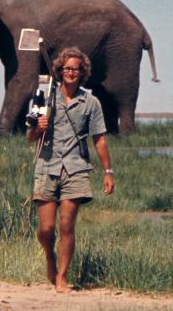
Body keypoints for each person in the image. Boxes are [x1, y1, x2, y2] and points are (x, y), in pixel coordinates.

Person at [26, 46, 114, 293]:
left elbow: (100, 139)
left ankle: (62, 277)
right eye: (67, 68)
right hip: (46, 165)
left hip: (76, 168)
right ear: (59, 71)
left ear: (82, 71)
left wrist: (108, 172)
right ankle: (49, 259)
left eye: (76, 69)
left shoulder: (91, 102)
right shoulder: (43, 96)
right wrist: (38, 127)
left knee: (67, 225)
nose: (71, 73)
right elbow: (29, 135)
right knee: (46, 230)